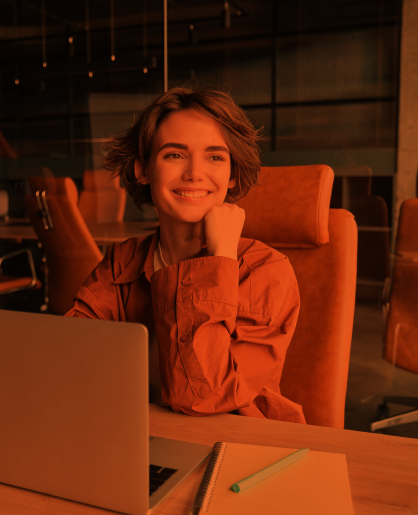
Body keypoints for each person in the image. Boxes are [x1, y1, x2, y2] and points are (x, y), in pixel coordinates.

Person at [65, 85, 306, 424]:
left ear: (232, 175)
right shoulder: (123, 262)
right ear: (143, 170)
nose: (194, 172)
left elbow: (203, 398)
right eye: (174, 155)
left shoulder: (264, 271)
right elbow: (69, 363)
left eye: (215, 157)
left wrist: (219, 261)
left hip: (235, 448)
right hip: (136, 436)